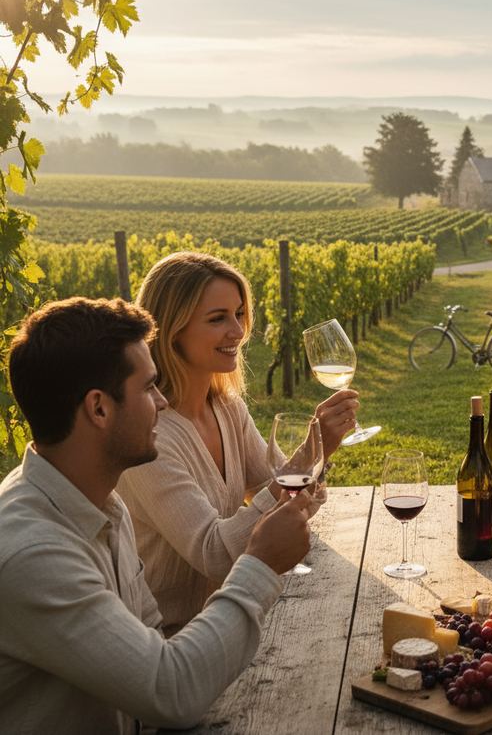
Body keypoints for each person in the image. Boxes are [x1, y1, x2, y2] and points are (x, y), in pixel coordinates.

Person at [0, 297, 313, 733]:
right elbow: (169, 692)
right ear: (99, 408)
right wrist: (259, 565)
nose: (163, 402)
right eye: (148, 387)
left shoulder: (103, 504)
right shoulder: (32, 554)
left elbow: (150, 637)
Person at [116, 251, 359, 633]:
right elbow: (215, 554)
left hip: (229, 618)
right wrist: (315, 449)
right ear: (172, 330)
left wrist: (306, 466)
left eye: (239, 314)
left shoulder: (227, 408)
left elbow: (295, 498)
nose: (238, 331)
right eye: (218, 319)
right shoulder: (151, 438)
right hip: (168, 640)